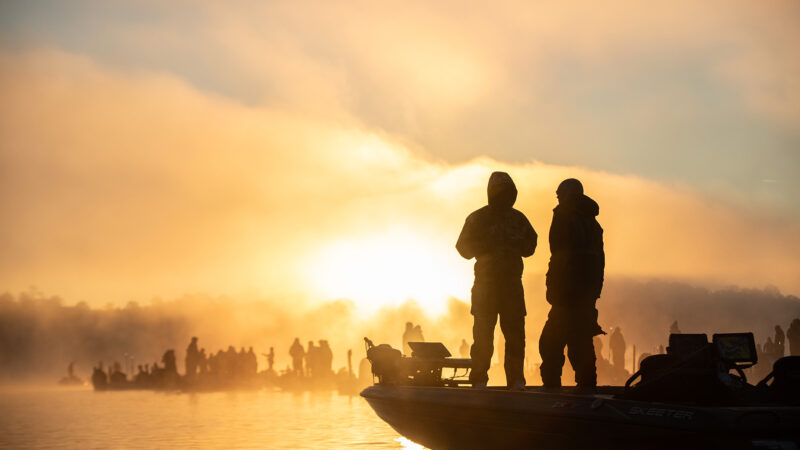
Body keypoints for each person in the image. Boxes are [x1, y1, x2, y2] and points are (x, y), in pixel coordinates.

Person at [456, 171, 537, 390]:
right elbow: (462, 247)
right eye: (499, 191)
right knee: (483, 336)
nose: (503, 195)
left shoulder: (518, 219)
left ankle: (516, 381)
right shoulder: (478, 218)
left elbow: (531, 245)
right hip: (486, 287)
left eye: (506, 191)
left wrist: (514, 243)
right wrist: (486, 246)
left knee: (514, 337)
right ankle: (479, 379)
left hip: (511, 286)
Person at [539, 178, 605, 390]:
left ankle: (551, 392)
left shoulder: (564, 217)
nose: (557, 197)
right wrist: (593, 293)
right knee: (581, 343)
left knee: (550, 344)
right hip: (585, 298)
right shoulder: (594, 226)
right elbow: (600, 263)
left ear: (568, 194)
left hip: (566, 296)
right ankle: (587, 389)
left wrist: (556, 291)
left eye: (559, 193)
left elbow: (558, 255)